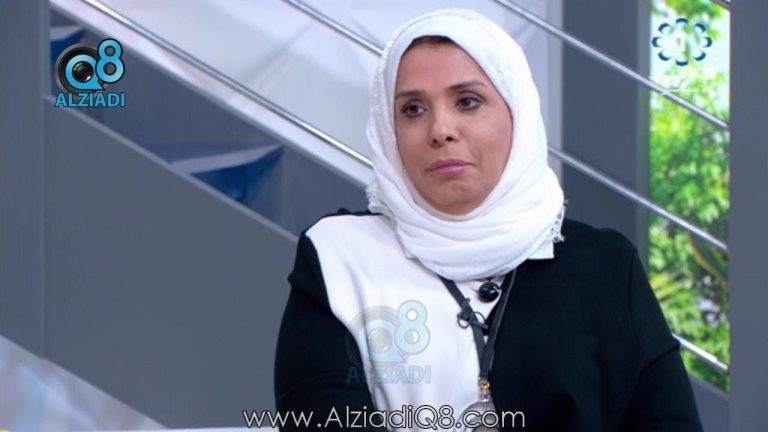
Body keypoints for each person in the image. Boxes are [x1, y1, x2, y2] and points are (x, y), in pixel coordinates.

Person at [274, 8, 703, 432]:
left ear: (517, 112)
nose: (440, 129)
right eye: (413, 109)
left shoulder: (605, 266)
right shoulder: (341, 258)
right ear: (389, 131)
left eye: (468, 102)